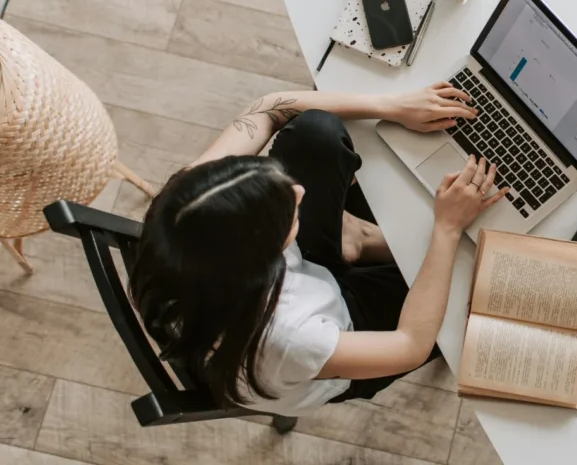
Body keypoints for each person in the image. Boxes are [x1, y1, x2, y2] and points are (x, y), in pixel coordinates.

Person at [128, 82, 509, 416]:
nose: (298, 191)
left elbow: (267, 108)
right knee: (478, 288)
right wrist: (445, 229)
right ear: (264, 258)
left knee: (314, 132)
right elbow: (410, 345)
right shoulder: (291, 338)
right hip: (342, 333)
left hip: (283, 287)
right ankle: (359, 241)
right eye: (287, 214)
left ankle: (354, 240)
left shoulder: (188, 205)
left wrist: (391, 106)